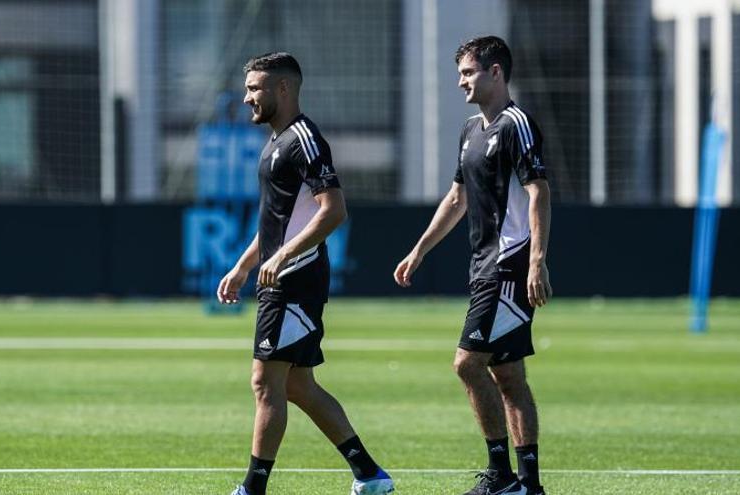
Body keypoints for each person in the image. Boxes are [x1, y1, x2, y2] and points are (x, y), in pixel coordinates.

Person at [217, 52, 394, 495]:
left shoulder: (304, 140)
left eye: (254, 88)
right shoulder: (277, 140)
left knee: (265, 381)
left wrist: (282, 258)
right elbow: (277, 221)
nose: (246, 98)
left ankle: (252, 488)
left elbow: (333, 211)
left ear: (283, 89)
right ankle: (370, 476)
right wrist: (244, 265)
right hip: (282, 276)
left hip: (296, 280)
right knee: (298, 385)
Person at [393, 36, 551, 495]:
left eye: (468, 72)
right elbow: (458, 197)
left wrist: (536, 261)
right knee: (508, 375)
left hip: (509, 265)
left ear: (496, 72)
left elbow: (539, 191)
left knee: (466, 364)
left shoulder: (518, 125)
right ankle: (529, 485)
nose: (461, 80)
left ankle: (502, 477)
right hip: (484, 265)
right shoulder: (470, 129)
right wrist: (420, 249)